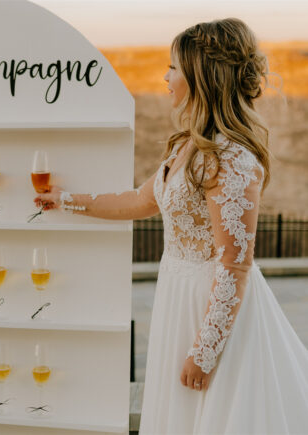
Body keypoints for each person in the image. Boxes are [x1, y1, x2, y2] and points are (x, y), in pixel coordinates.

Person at [34, 18, 308, 435]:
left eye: (173, 67)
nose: (165, 77)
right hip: (177, 297)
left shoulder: (232, 159)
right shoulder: (186, 146)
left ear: (202, 77)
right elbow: (139, 200)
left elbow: (235, 263)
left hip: (212, 312)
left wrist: (206, 350)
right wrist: (67, 201)